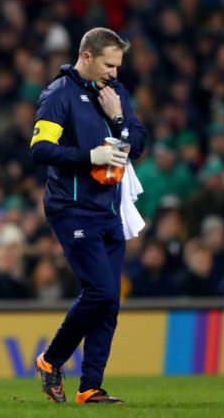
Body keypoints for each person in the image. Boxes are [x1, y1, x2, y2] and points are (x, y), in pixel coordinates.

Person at [30, 27, 147, 404]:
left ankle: (90, 387)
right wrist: (89, 156)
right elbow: (40, 149)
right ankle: (51, 360)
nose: (114, 72)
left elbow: (138, 143)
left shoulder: (116, 95)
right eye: (108, 64)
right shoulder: (58, 95)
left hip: (109, 210)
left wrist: (117, 120)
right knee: (99, 290)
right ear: (86, 57)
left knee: (109, 300)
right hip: (72, 208)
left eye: (118, 65)